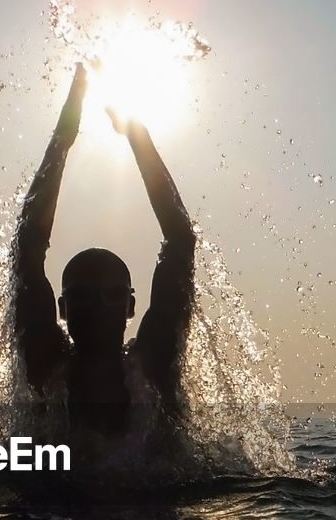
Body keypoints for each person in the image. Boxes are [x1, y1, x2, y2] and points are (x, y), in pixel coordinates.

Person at [12, 63, 197, 441]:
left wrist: (138, 137)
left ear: (131, 306)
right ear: (62, 311)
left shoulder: (154, 365)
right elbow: (27, 249)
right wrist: (62, 138)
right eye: (81, 297)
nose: (97, 307)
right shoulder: (46, 365)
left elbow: (181, 241)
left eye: (111, 295)